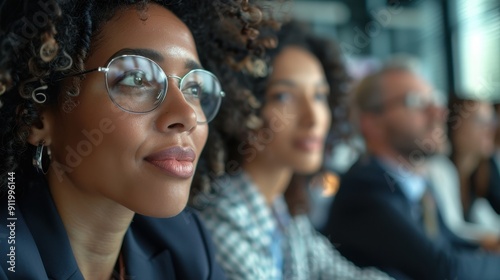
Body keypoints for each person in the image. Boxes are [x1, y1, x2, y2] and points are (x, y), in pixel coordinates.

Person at [0, 0, 277, 279]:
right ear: (37, 118)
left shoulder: (188, 245)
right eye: (136, 79)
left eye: (193, 87)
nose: (188, 115)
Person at [192, 21, 392, 280]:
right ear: (241, 107)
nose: (313, 118)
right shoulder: (222, 221)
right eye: (284, 97)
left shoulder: (280, 211)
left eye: (319, 96)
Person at [325, 63, 500, 279]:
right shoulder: (365, 190)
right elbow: (445, 270)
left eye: (434, 100)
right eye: (416, 101)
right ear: (372, 124)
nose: (439, 111)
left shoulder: (418, 185)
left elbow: (449, 243)